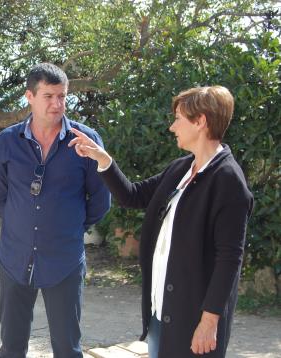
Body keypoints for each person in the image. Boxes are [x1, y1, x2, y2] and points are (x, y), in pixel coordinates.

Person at [69, 86, 253, 357]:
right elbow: (132, 196)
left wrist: (209, 321)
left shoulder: (228, 181)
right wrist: (102, 159)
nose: (172, 127)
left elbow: (230, 258)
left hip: (194, 320)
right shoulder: (182, 168)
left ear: (200, 121)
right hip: (162, 311)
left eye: (178, 118)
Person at [0, 62, 111, 358]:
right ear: (29, 96)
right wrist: (23, 223)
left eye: (62, 96)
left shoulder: (85, 141)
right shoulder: (6, 142)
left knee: (68, 348)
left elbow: (100, 199)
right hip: (14, 259)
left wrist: (68, 226)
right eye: (49, 96)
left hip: (64, 261)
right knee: (12, 346)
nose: (57, 104)